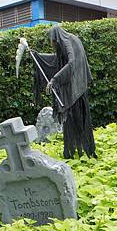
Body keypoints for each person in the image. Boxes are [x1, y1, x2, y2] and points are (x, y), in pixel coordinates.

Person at [32, 25, 97, 159]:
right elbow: (57, 60)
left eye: (52, 40)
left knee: (77, 120)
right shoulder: (70, 39)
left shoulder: (68, 41)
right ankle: (78, 152)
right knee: (73, 121)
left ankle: (80, 151)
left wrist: (55, 79)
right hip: (77, 87)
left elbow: (71, 63)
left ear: (56, 37)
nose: (52, 43)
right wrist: (37, 56)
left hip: (76, 90)